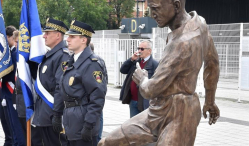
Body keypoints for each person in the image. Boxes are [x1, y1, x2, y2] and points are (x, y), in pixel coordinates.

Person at [98, 0, 220, 145]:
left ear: (176, 5)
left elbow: (150, 89)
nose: (152, 14)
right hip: (158, 109)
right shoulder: (200, 23)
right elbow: (213, 64)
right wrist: (210, 101)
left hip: (181, 114)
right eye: (150, 9)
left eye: (156, 9)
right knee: (107, 142)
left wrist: (142, 78)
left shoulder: (182, 43)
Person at [59, 20, 107, 146]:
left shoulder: (91, 64)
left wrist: (88, 125)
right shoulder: (72, 61)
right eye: (68, 36)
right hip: (72, 123)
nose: (67, 39)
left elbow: (97, 97)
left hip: (82, 124)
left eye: (72, 37)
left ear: (83, 40)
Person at [32, 18, 69, 146]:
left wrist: (57, 115)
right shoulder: (51, 55)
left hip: (52, 113)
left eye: (48, 33)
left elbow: (60, 87)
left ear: (58, 35)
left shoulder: (63, 55)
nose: (44, 36)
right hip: (45, 113)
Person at [0, 26, 26, 146]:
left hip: (13, 93)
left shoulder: (16, 54)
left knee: (16, 128)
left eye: (16, 41)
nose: (16, 44)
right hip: (8, 92)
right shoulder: (12, 52)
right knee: (11, 126)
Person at [119, 40, 158, 118]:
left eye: (142, 49)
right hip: (133, 100)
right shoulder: (135, 61)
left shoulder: (154, 64)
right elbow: (123, 70)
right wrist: (131, 59)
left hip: (145, 102)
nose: (139, 51)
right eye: (138, 48)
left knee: (144, 125)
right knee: (133, 126)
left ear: (149, 51)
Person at [89, 43, 108, 142]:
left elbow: (102, 79)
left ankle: (98, 137)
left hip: (95, 96)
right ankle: (98, 137)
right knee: (99, 115)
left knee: (98, 116)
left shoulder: (96, 61)